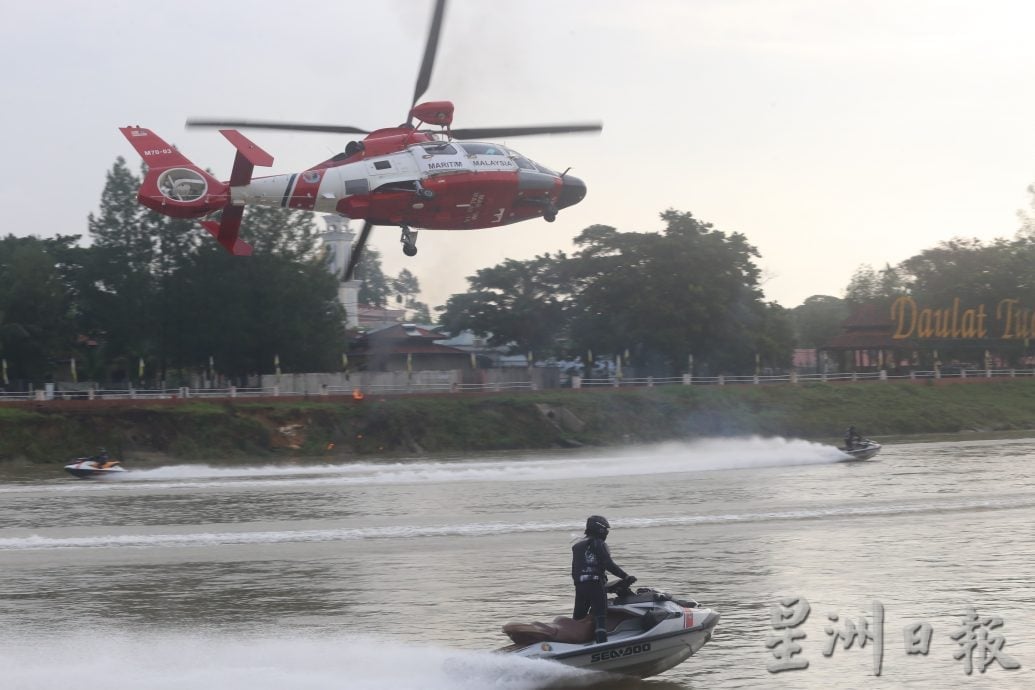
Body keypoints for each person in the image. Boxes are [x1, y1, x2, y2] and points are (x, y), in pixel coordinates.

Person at [571, 515, 633, 644]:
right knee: (600, 615)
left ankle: (574, 644)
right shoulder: (599, 544)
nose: (606, 532)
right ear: (600, 529)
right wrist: (625, 576)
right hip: (595, 583)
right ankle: (602, 644)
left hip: (580, 586)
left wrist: (579, 583)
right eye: (606, 529)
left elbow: (574, 569)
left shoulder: (577, 546)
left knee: (578, 618)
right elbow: (608, 563)